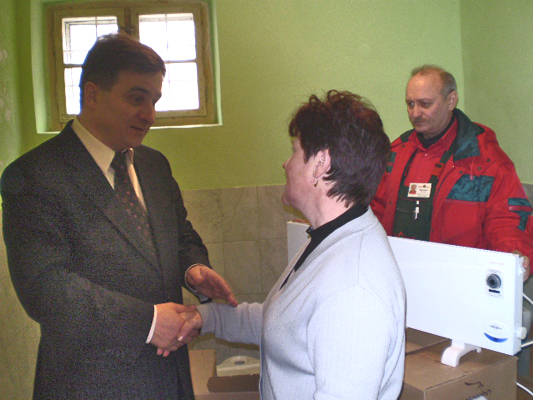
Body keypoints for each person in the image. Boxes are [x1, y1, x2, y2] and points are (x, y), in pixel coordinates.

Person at [0, 32, 237, 399]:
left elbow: (181, 234)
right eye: (136, 98)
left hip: (169, 379)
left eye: (154, 101)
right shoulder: (34, 176)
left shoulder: (154, 165)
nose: (150, 115)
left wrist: (193, 268)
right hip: (89, 384)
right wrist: (149, 322)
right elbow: (45, 288)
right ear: (93, 95)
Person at [179, 90, 406, 399]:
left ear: (320, 164)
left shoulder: (354, 288)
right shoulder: (329, 238)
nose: (285, 164)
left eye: (294, 151)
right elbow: (287, 325)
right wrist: (207, 318)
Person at [371, 65, 533, 279]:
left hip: (460, 281)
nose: (415, 113)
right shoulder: (396, 153)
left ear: (451, 100)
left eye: (425, 104)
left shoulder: (485, 159)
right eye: (410, 104)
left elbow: (507, 218)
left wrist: (515, 256)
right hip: (399, 275)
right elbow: (374, 211)